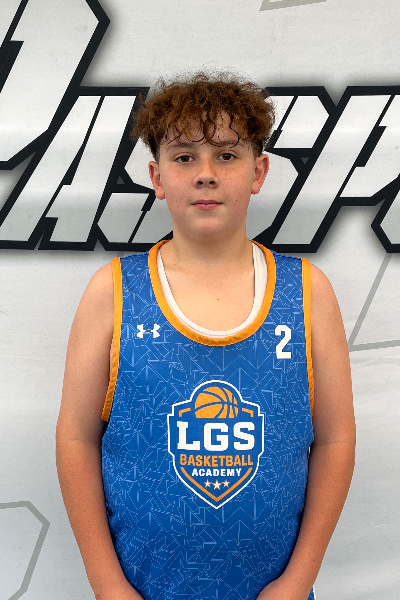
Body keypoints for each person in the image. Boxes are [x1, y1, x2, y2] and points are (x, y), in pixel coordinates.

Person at [56, 71, 355, 600]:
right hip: (140, 588)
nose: (206, 174)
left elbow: (335, 440)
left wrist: (298, 581)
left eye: (227, 155)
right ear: (156, 177)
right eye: (184, 157)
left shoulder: (308, 292)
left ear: (258, 172)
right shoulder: (114, 292)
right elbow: (76, 439)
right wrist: (107, 586)